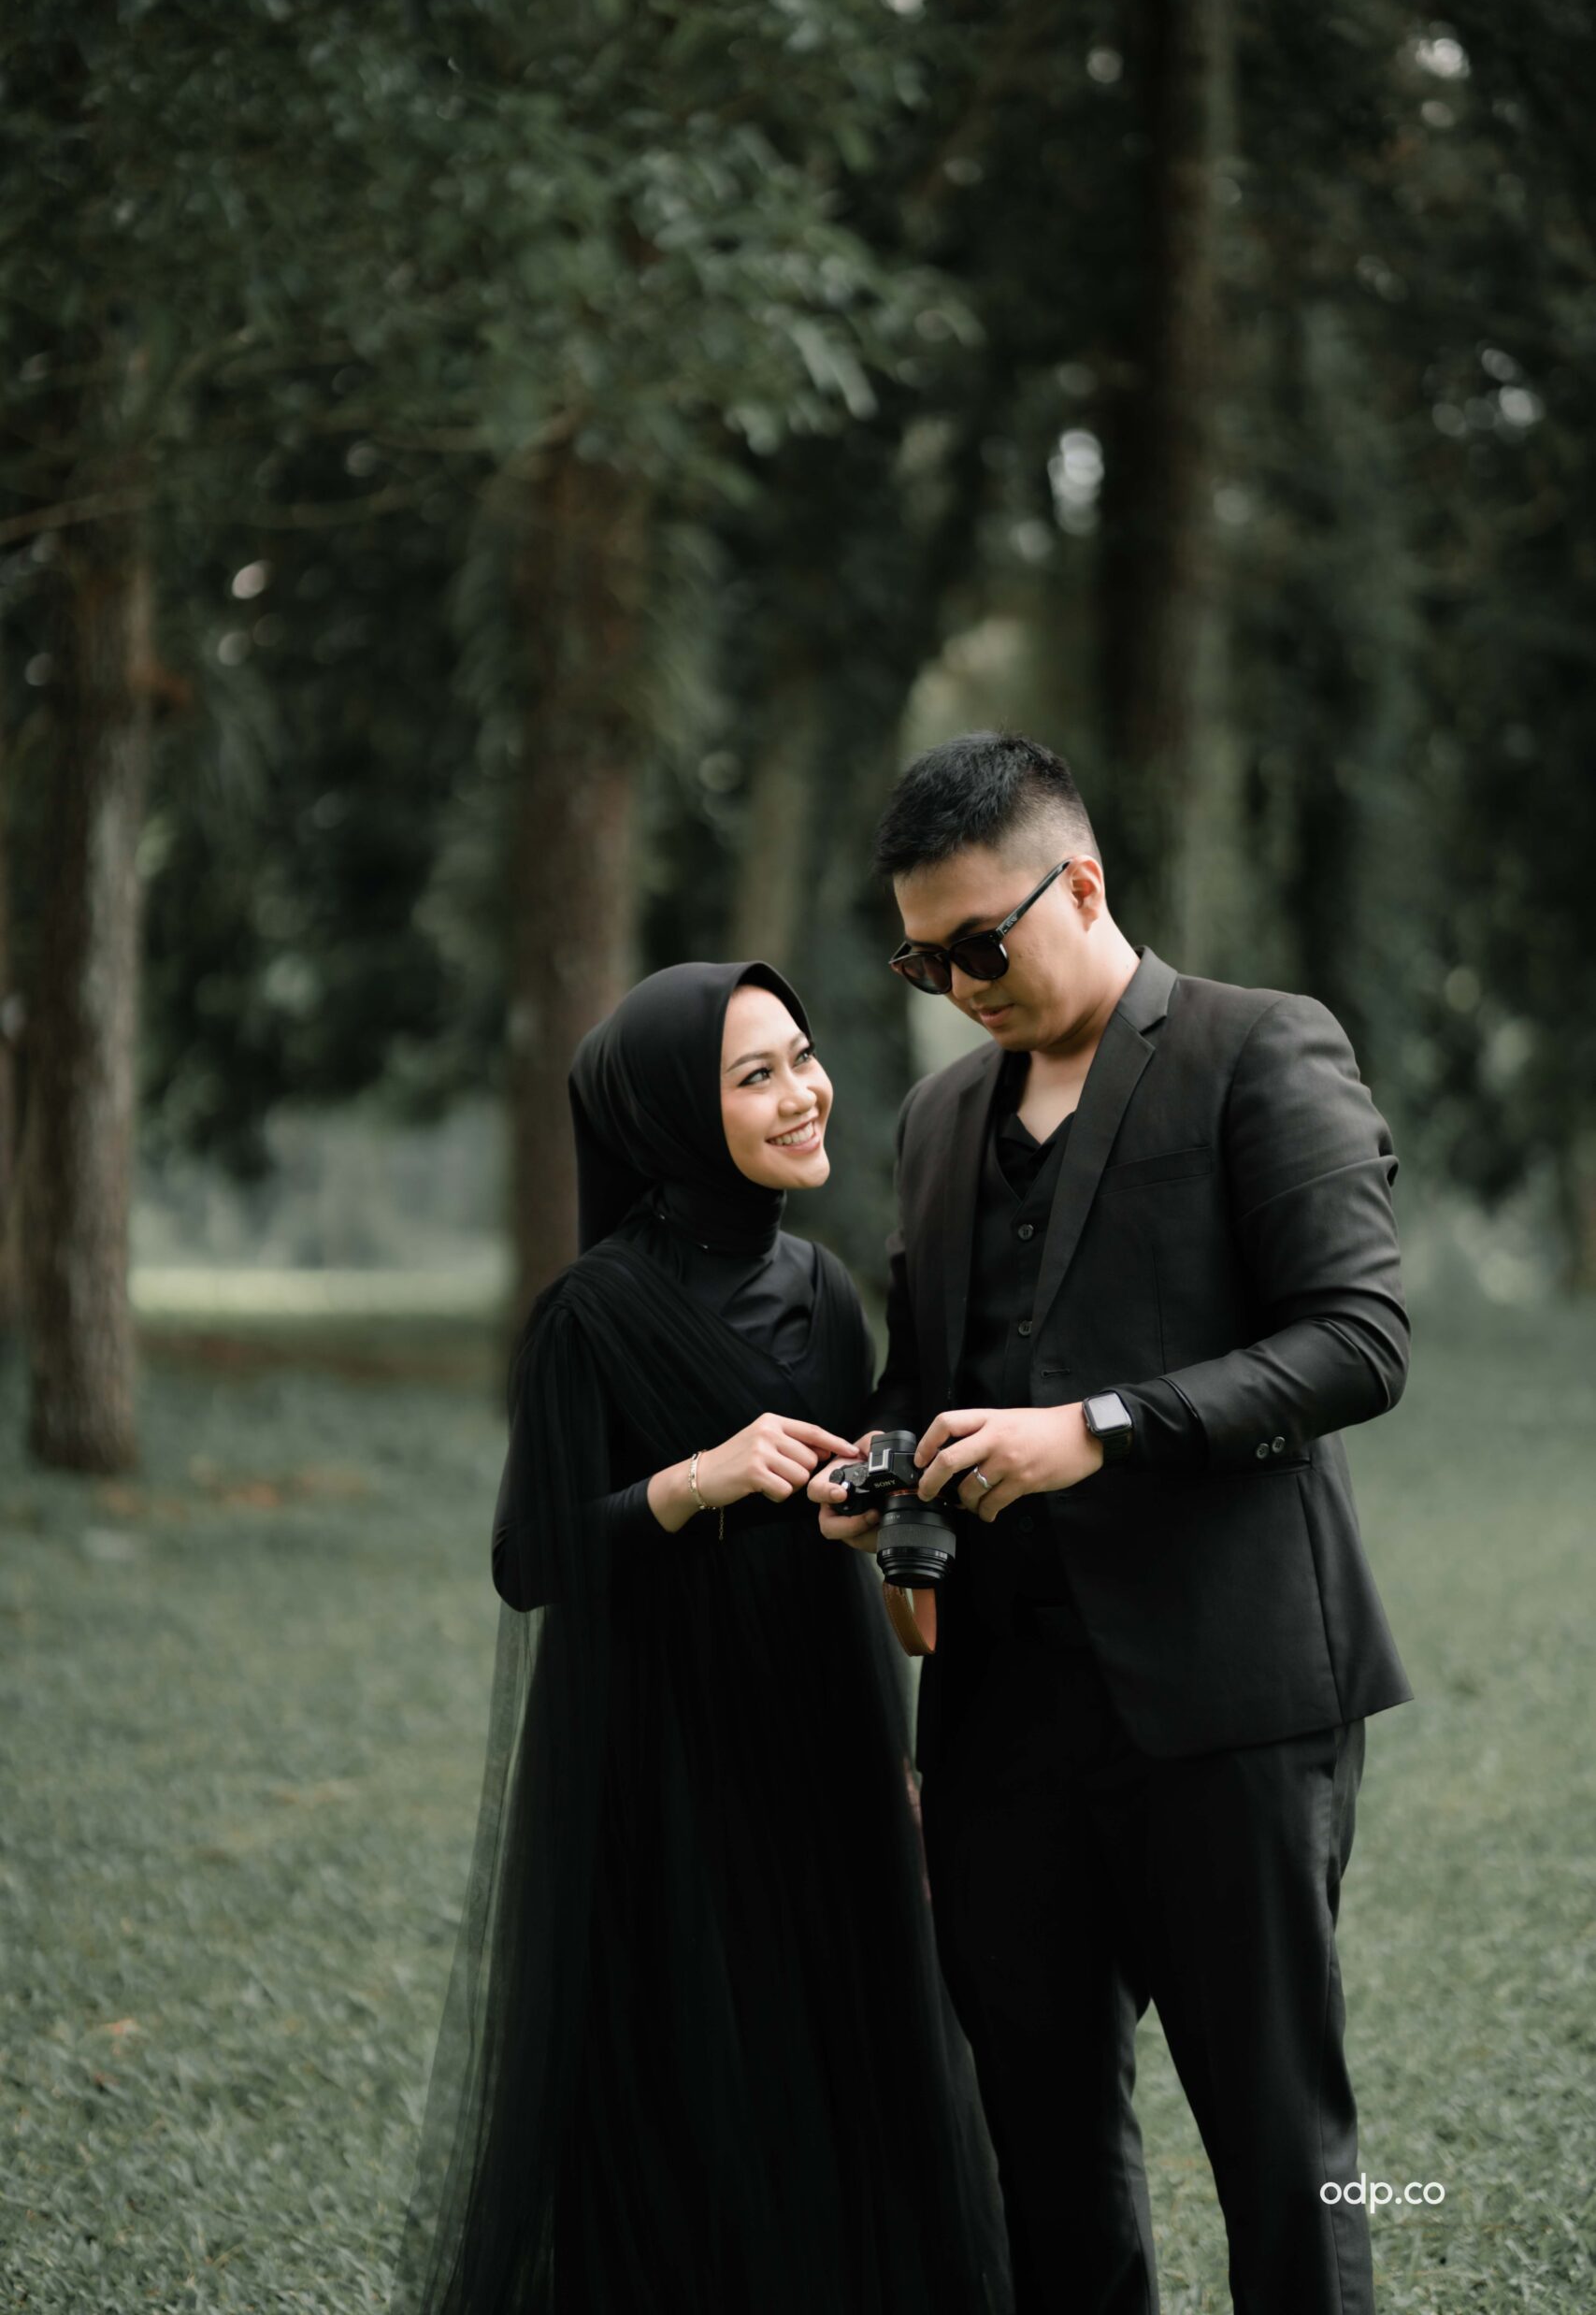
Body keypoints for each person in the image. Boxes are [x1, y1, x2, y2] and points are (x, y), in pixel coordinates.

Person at [813, 734, 1414, 2315]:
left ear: (1079, 884)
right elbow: (927, 1377)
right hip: (1001, 1721)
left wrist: (1098, 1427)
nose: (958, 986)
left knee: (1286, 2150)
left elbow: (1358, 1343)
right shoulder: (937, 1119)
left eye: (980, 947)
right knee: (1046, 2160)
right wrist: (876, 1472)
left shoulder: (1261, 1049)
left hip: (1231, 1703)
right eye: (923, 960)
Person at [387, 958, 1010, 2315]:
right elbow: (527, 1560)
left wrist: (868, 1528)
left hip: (821, 1733)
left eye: (802, 1058)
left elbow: (835, 1534)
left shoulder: (824, 1291)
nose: (803, 1094)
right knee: (690, 2087)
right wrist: (696, 1481)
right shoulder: (590, 1316)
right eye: (755, 1076)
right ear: (676, 1115)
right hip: (661, 1757)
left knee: (838, 2070)